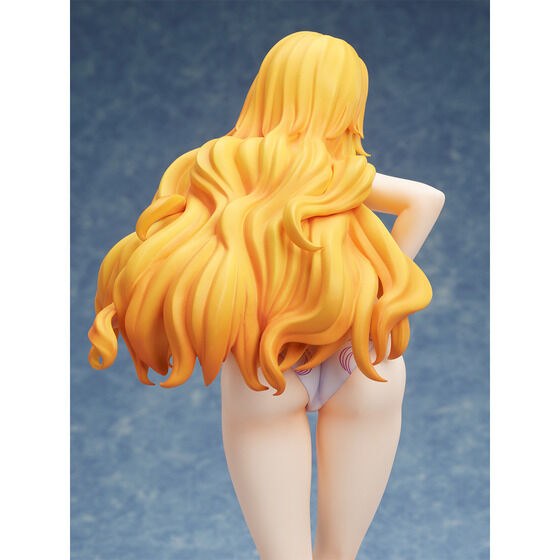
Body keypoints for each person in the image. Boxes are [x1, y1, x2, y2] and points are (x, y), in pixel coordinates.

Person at [89, 31, 445, 560]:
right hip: (362, 355)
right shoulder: (343, 174)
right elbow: (425, 199)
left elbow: (168, 238)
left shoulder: (216, 163)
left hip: (264, 363)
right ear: (346, 105)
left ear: (267, 89)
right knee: (339, 554)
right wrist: (381, 284)